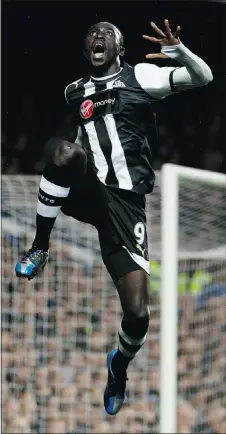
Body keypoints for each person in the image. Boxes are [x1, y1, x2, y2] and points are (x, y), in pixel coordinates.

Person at [15, 19, 212, 415]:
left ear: (120, 47)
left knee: (138, 314)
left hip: (126, 205)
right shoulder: (75, 91)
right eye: (90, 35)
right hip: (91, 189)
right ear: (85, 49)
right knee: (65, 153)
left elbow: (202, 77)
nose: (97, 38)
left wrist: (179, 52)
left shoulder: (139, 77)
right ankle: (39, 247)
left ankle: (118, 369)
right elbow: (83, 140)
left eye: (106, 34)